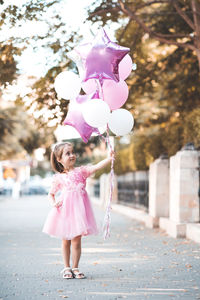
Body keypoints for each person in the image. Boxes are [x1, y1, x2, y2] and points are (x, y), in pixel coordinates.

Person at [42, 142, 115, 279]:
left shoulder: (81, 171)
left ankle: (75, 267)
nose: (72, 155)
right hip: (64, 210)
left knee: (76, 240)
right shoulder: (59, 177)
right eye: (67, 153)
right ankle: (66, 267)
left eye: (72, 152)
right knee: (65, 240)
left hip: (79, 212)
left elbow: (95, 167)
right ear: (59, 159)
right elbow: (51, 194)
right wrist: (54, 203)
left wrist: (109, 158)